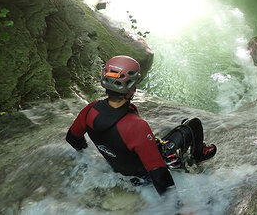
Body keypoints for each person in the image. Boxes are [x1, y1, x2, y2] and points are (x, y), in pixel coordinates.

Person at [66, 55, 216, 196]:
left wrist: (89, 156)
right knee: (193, 124)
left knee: (173, 132)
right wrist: (177, 208)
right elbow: (159, 175)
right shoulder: (135, 126)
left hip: (122, 172)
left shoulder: (89, 110)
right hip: (145, 178)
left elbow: (72, 138)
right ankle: (199, 154)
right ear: (131, 88)